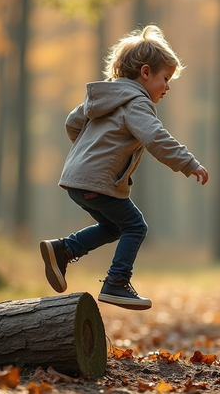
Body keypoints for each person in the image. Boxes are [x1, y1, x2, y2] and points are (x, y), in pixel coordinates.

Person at [40, 24, 209, 311]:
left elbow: (72, 122)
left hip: (75, 181)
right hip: (98, 182)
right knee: (135, 226)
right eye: (165, 79)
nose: (167, 87)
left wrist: (84, 157)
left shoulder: (101, 100)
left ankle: (64, 249)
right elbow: (155, 137)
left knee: (113, 226)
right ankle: (116, 282)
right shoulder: (135, 103)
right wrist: (188, 162)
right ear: (145, 73)